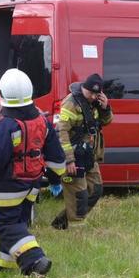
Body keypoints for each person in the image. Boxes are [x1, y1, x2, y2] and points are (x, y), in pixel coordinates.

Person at [0, 69, 66, 276]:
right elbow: (57, 157)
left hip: (8, 186)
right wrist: (56, 179)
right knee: (17, 224)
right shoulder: (42, 121)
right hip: (33, 185)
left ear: (3, 94)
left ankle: (35, 259)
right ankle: (6, 268)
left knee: (5, 226)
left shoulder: (7, 125)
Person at [51, 73, 113, 230]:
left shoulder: (96, 103)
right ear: (84, 88)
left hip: (88, 154)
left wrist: (106, 108)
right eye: (90, 93)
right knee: (79, 196)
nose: (93, 96)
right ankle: (76, 231)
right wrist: (69, 160)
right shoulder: (70, 104)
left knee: (96, 190)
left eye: (96, 94)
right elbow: (61, 133)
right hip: (73, 156)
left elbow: (106, 121)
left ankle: (61, 222)